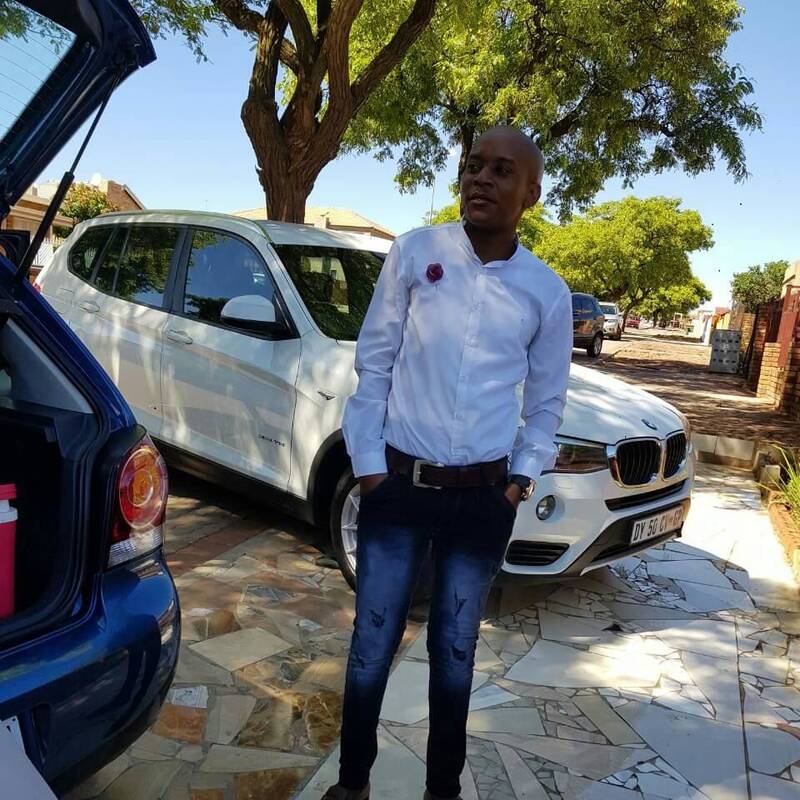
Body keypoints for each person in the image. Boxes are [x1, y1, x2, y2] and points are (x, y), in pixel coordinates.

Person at [325, 126, 573, 800]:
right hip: (398, 488)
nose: (481, 179)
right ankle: (352, 783)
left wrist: (518, 483)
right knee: (372, 643)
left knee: (455, 653)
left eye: (501, 170)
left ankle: (443, 790)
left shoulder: (546, 292)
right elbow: (374, 365)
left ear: (531, 193)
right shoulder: (415, 253)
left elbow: (546, 404)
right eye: (473, 166)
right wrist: (370, 469)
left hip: (481, 501)